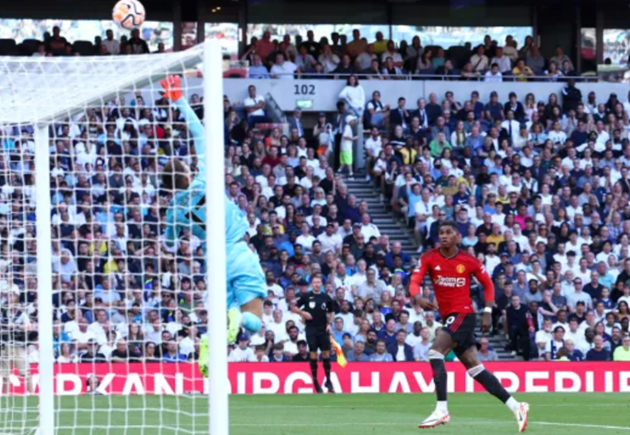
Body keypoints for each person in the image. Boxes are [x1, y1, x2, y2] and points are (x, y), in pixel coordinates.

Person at [157, 76, 266, 374]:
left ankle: (209, 341)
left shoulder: (173, 210)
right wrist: (178, 99)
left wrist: (173, 229)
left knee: (227, 313)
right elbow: (199, 133)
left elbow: (168, 245)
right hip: (237, 250)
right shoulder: (206, 177)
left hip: (212, 262)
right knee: (253, 321)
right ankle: (238, 322)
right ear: (188, 169)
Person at [410, 221, 528, 431]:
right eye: (441, 233)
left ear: (457, 237)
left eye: (448, 233)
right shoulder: (429, 257)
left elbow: (488, 284)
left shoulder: (468, 260)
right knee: (475, 369)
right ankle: (516, 406)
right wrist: (417, 296)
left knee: (435, 353)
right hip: (449, 317)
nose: (444, 236)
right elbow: (415, 280)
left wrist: (488, 312)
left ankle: (441, 409)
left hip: (463, 314)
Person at [292, 276, 335, 393]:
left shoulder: (326, 297)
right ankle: (315, 381)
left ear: (321, 284)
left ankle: (328, 380)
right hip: (311, 330)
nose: (316, 284)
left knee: (326, 354)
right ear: (312, 284)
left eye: (318, 282)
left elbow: (331, 312)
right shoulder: (306, 296)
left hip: (323, 329)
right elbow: (293, 307)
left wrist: (329, 323)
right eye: (314, 282)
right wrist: (303, 312)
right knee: (313, 355)